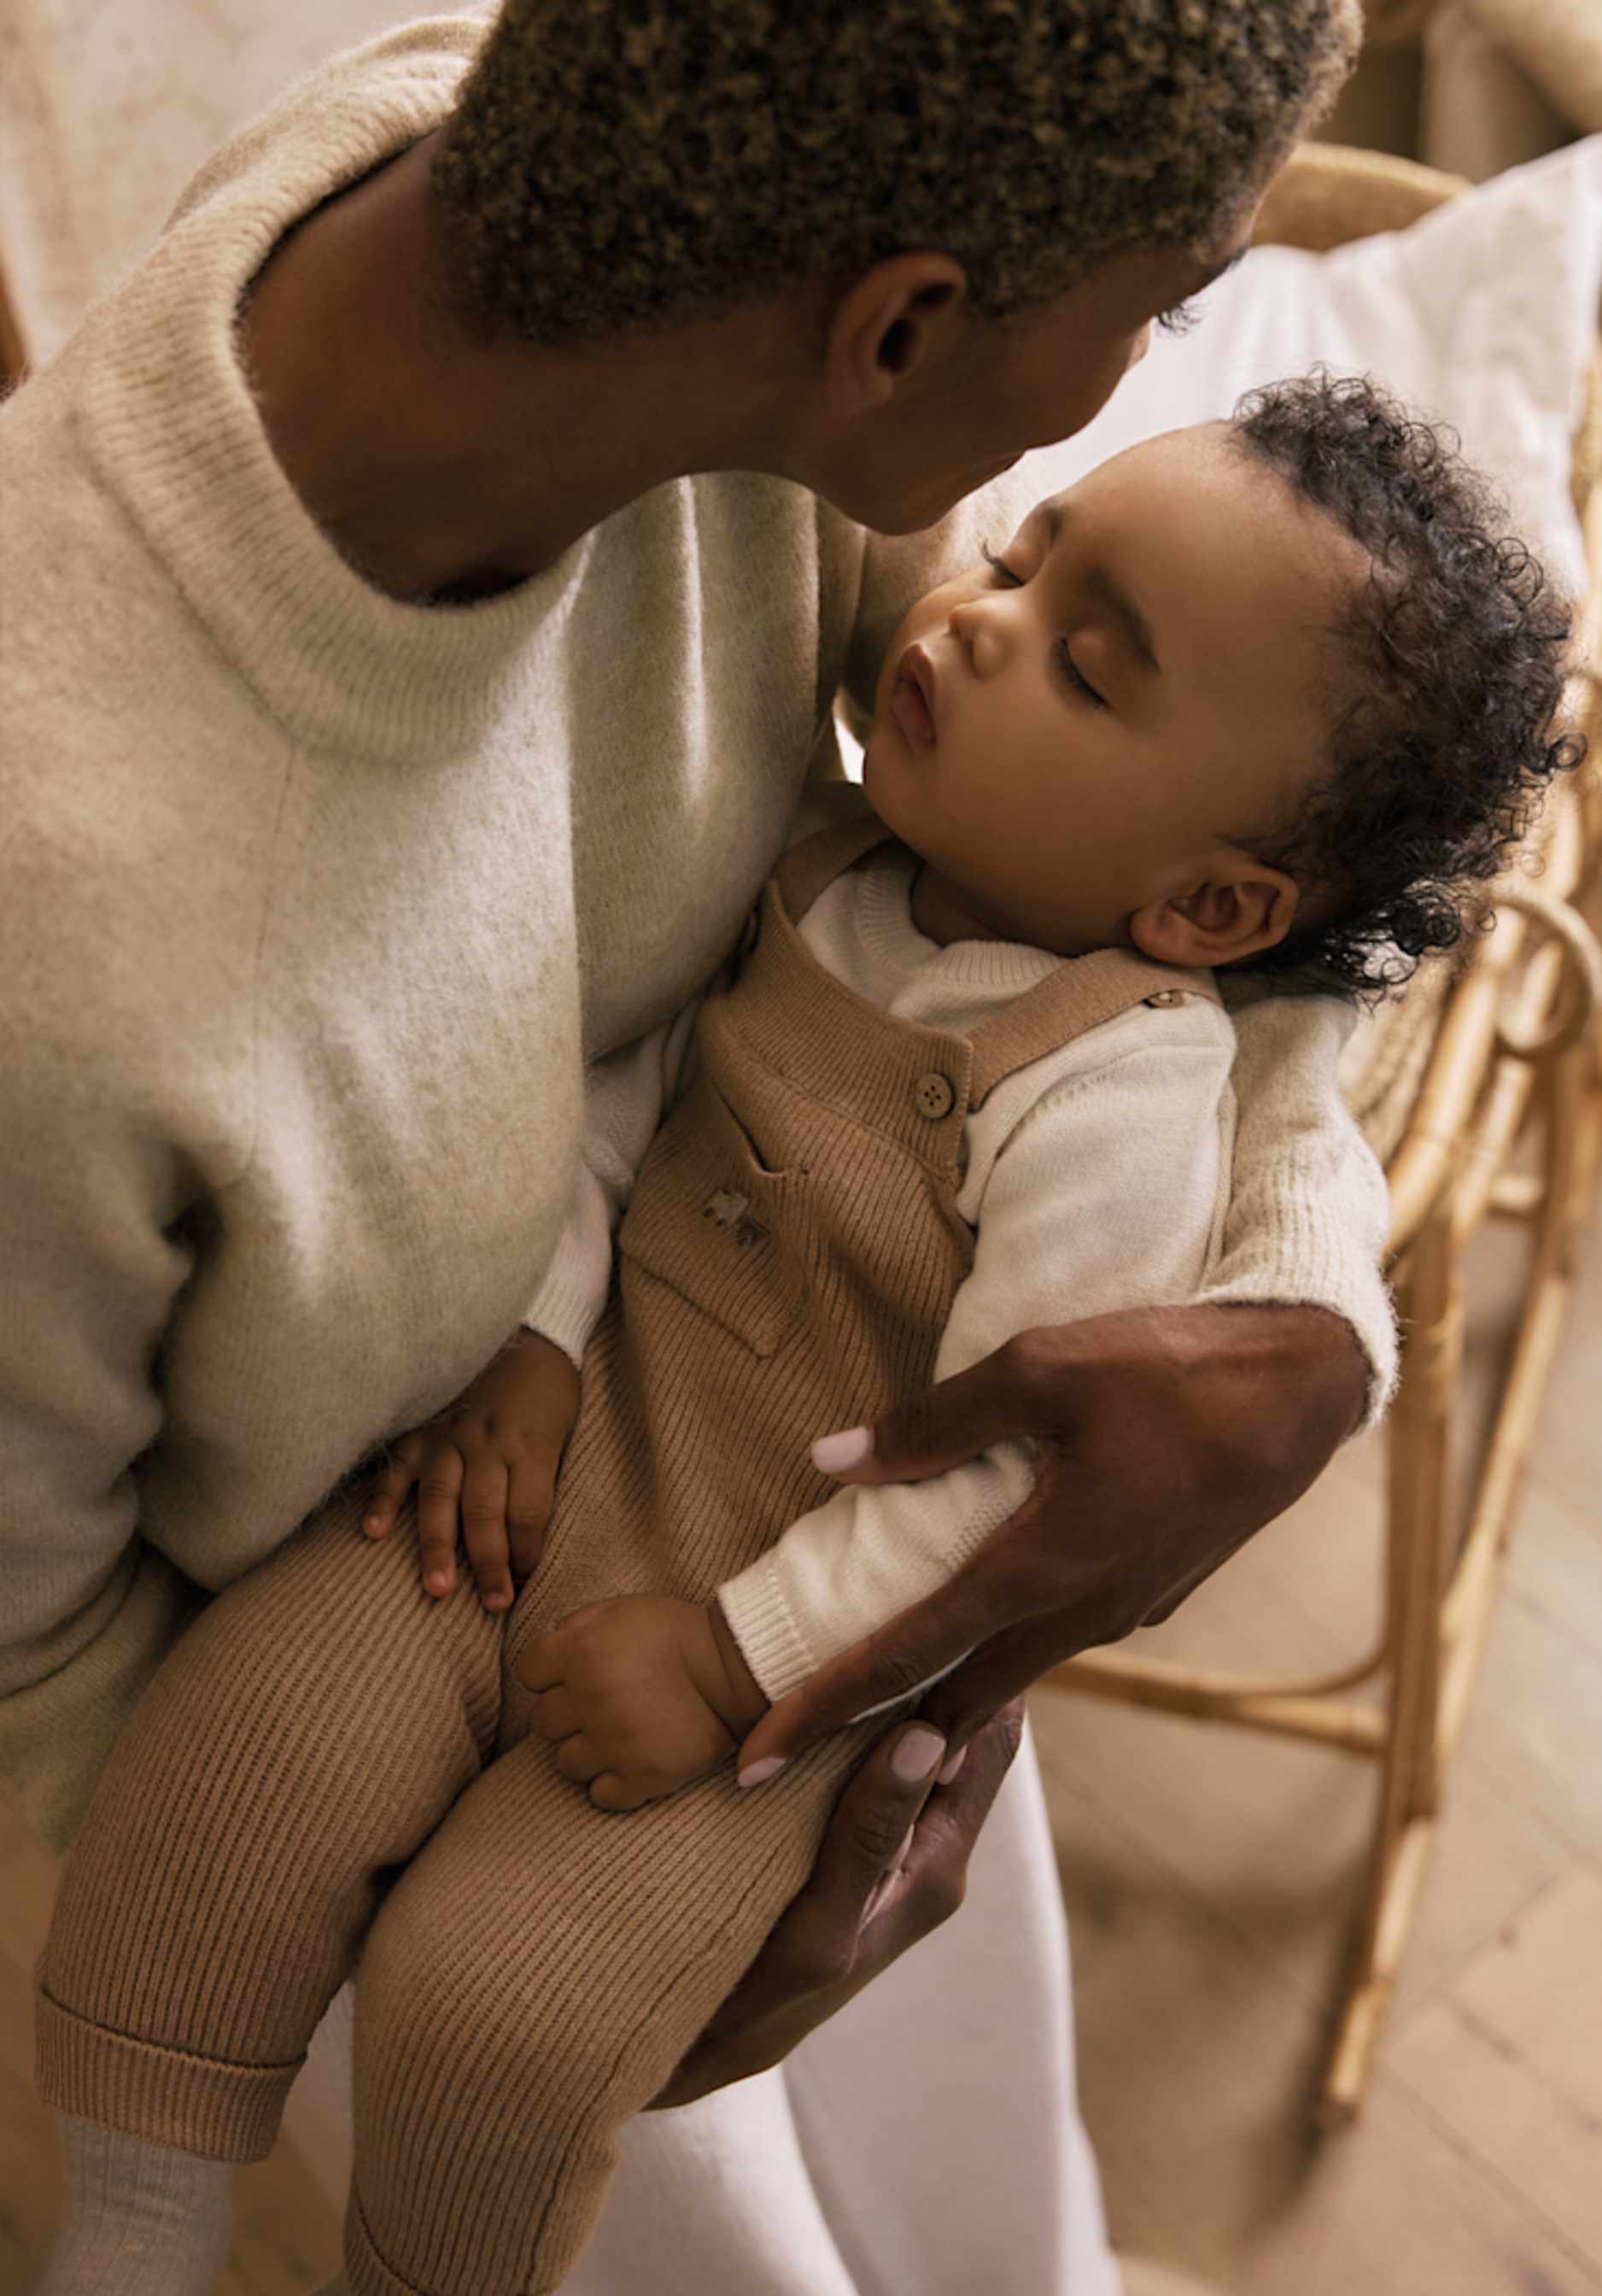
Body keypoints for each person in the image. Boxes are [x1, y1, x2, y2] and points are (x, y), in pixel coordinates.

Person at [2, 6, 1390, 2293]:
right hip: (358, 1739)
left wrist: (1274, 1313)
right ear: (907, 330)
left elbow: (1156, 902)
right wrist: (344, 1915)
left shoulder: (664, 279)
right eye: (1155, 300)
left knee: (922, 2202)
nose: (1143, 371)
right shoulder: (65, 927)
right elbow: (41, 1662)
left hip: (824, 1577)